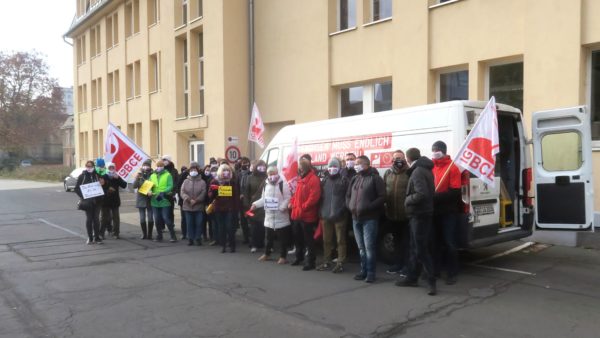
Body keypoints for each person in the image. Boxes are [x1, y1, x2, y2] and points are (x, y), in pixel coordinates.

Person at [395, 148, 437, 296]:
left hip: (419, 214)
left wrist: (407, 200)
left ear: (408, 158)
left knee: (420, 249)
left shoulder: (418, 171)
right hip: (421, 214)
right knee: (415, 247)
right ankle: (412, 277)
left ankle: (431, 280)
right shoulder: (425, 169)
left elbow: (422, 193)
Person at [346, 155, 385, 283]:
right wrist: (350, 206)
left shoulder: (375, 178)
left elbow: (382, 197)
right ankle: (363, 271)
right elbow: (348, 195)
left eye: (358, 163)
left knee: (369, 247)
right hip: (355, 217)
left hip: (370, 218)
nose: (355, 165)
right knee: (361, 247)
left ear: (366, 164)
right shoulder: (355, 178)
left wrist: (369, 207)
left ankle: (371, 273)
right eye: (355, 163)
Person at [431, 140, 461, 285]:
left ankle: (451, 273)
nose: (435, 151)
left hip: (448, 212)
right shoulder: (431, 167)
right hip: (434, 211)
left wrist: (436, 197)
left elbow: (455, 192)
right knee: (435, 243)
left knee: (449, 242)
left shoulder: (452, 168)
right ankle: (436, 270)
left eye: (437, 149)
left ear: (443, 150)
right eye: (433, 149)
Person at [252, 166, 292, 264]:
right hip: (269, 217)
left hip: (281, 216)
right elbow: (263, 199)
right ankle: (267, 253)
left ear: (277, 173)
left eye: (273, 174)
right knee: (268, 237)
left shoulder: (283, 184)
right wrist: (255, 205)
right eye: (269, 174)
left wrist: (283, 207)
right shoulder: (266, 185)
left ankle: (283, 256)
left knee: (283, 238)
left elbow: (288, 198)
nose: (271, 176)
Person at [317, 157, 349, 273]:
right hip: (325, 216)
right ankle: (326, 262)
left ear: (339, 168)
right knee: (326, 240)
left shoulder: (344, 181)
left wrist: (342, 210)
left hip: (339, 216)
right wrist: (320, 211)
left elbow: (348, 197)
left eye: (335, 166)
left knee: (341, 240)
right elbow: (321, 198)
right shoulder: (324, 181)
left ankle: (340, 263)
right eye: (330, 166)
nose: (332, 169)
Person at [289, 158, 321, 271]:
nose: (299, 171)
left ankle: (310, 261)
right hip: (297, 214)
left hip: (307, 215)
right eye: (299, 169)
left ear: (306, 169)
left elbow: (314, 198)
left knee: (309, 240)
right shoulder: (300, 179)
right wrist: (292, 202)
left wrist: (303, 207)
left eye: (301, 169)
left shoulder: (313, 179)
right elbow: (296, 195)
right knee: (297, 238)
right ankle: (299, 257)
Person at [383, 150, 410, 275]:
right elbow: (383, 190)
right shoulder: (388, 173)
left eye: (400, 157)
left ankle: (407, 266)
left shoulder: (409, 173)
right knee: (396, 242)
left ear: (404, 159)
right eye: (395, 158)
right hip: (392, 214)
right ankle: (398, 264)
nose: (398, 160)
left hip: (406, 215)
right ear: (392, 160)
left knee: (407, 242)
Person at [208, 163, 240, 253]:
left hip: (229, 208)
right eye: (224, 170)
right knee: (221, 228)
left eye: (227, 170)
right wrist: (215, 190)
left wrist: (236, 208)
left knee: (230, 227)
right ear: (220, 172)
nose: (226, 172)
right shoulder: (215, 181)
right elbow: (210, 195)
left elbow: (235, 196)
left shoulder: (231, 182)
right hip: (219, 208)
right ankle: (223, 246)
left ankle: (232, 245)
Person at [75, 160, 106, 244]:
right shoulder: (82, 176)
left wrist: (103, 184)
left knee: (96, 219)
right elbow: (76, 188)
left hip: (98, 201)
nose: (89, 168)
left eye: (91, 166)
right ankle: (90, 237)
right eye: (88, 166)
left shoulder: (97, 175)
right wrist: (83, 195)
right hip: (87, 202)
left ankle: (97, 237)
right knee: (89, 219)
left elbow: (104, 186)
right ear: (86, 167)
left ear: (94, 167)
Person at [148, 160, 178, 242]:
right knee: (157, 219)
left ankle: (173, 235)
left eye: (160, 166)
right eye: (157, 166)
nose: (159, 167)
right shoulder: (152, 175)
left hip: (164, 200)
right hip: (154, 200)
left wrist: (163, 192)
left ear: (163, 167)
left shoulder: (168, 175)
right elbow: (148, 185)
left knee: (166, 218)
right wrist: (149, 191)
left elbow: (170, 186)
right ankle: (159, 235)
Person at [180, 162, 207, 246]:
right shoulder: (186, 181)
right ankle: (190, 238)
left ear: (198, 171)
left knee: (199, 223)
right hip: (188, 206)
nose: (193, 171)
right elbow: (182, 192)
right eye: (191, 170)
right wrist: (188, 199)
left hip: (198, 206)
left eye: (194, 169)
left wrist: (197, 200)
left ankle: (198, 238)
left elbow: (204, 192)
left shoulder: (202, 182)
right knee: (189, 223)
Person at [244, 160, 268, 253]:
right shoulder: (250, 178)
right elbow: (246, 192)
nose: (262, 168)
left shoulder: (267, 177)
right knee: (254, 226)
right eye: (260, 166)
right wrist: (246, 205)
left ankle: (261, 243)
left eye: (263, 166)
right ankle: (254, 244)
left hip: (263, 205)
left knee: (262, 226)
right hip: (253, 205)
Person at [101, 163, 127, 239]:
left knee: (116, 218)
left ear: (115, 168)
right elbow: (100, 187)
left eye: (112, 168)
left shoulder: (117, 176)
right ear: (107, 168)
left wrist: (118, 178)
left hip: (115, 201)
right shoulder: (104, 177)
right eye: (110, 168)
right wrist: (107, 190)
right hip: (105, 201)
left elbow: (124, 185)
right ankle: (101, 233)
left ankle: (116, 233)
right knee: (104, 218)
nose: (111, 169)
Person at [133, 160, 154, 239]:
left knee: (150, 217)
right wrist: (136, 178)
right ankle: (144, 234)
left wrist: (150, 190)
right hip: (141, 199)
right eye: (144, 165)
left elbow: (155, 185)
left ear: (150, 166)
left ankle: (150, 234)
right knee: (142, 218)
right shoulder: (140, 175)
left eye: (147, 165)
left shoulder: (153, 174)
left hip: (150, 198)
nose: (145, 166)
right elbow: (134, 186)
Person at [161, 155, 179, 237]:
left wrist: (173, 192)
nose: (164, 161)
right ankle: (162, 226)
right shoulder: (161, 170)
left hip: (170, 194)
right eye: (163, 160)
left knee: (170, 211)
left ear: (169, 161)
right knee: (161, 210)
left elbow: (176, 182)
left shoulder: (174, 171)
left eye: (165, 160)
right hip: (161, 193)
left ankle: (171, 225)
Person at [95, 157, 112, 237]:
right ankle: (102, 232)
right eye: (98, 165)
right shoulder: (95, 175)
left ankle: (105, 231)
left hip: (105, 199)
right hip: (97, 199)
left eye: (101, 165)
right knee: (102, 216)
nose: (100, 167)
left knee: (105, 216)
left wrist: (107, 187)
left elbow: (109, 185)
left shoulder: (107, 174)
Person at [237, 157, 252, 245]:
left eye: (247, 163)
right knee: (243, 221)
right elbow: (236, 187)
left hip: (249, 202)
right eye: (243, 163)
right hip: (241, 203)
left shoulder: (251, 174)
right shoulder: (238, 174)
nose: (245, 165)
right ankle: (246, 238)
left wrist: (246, 195)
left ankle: (252, 239)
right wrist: (239, 195)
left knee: (250, 219)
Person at [207, 165, 220, 245]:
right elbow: (209, 194)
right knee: (214, 223)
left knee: (221, 223)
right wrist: (212, 191)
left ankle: (223, 239)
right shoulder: (211, 181)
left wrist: (218, 189)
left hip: (222, 205)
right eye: (213, 170)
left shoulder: (225, 181)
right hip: (213, 204)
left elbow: (228, 192)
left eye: (216, 170)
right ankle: (215, 239)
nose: (214, 172)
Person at [177, 165, 189, 239]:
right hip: (183, 201)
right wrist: (185, 198)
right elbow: (179, 189)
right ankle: (184, 233)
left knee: (188, 218)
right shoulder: (182, 177)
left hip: (194, 202)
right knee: (184, 218)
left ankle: (188, 233)